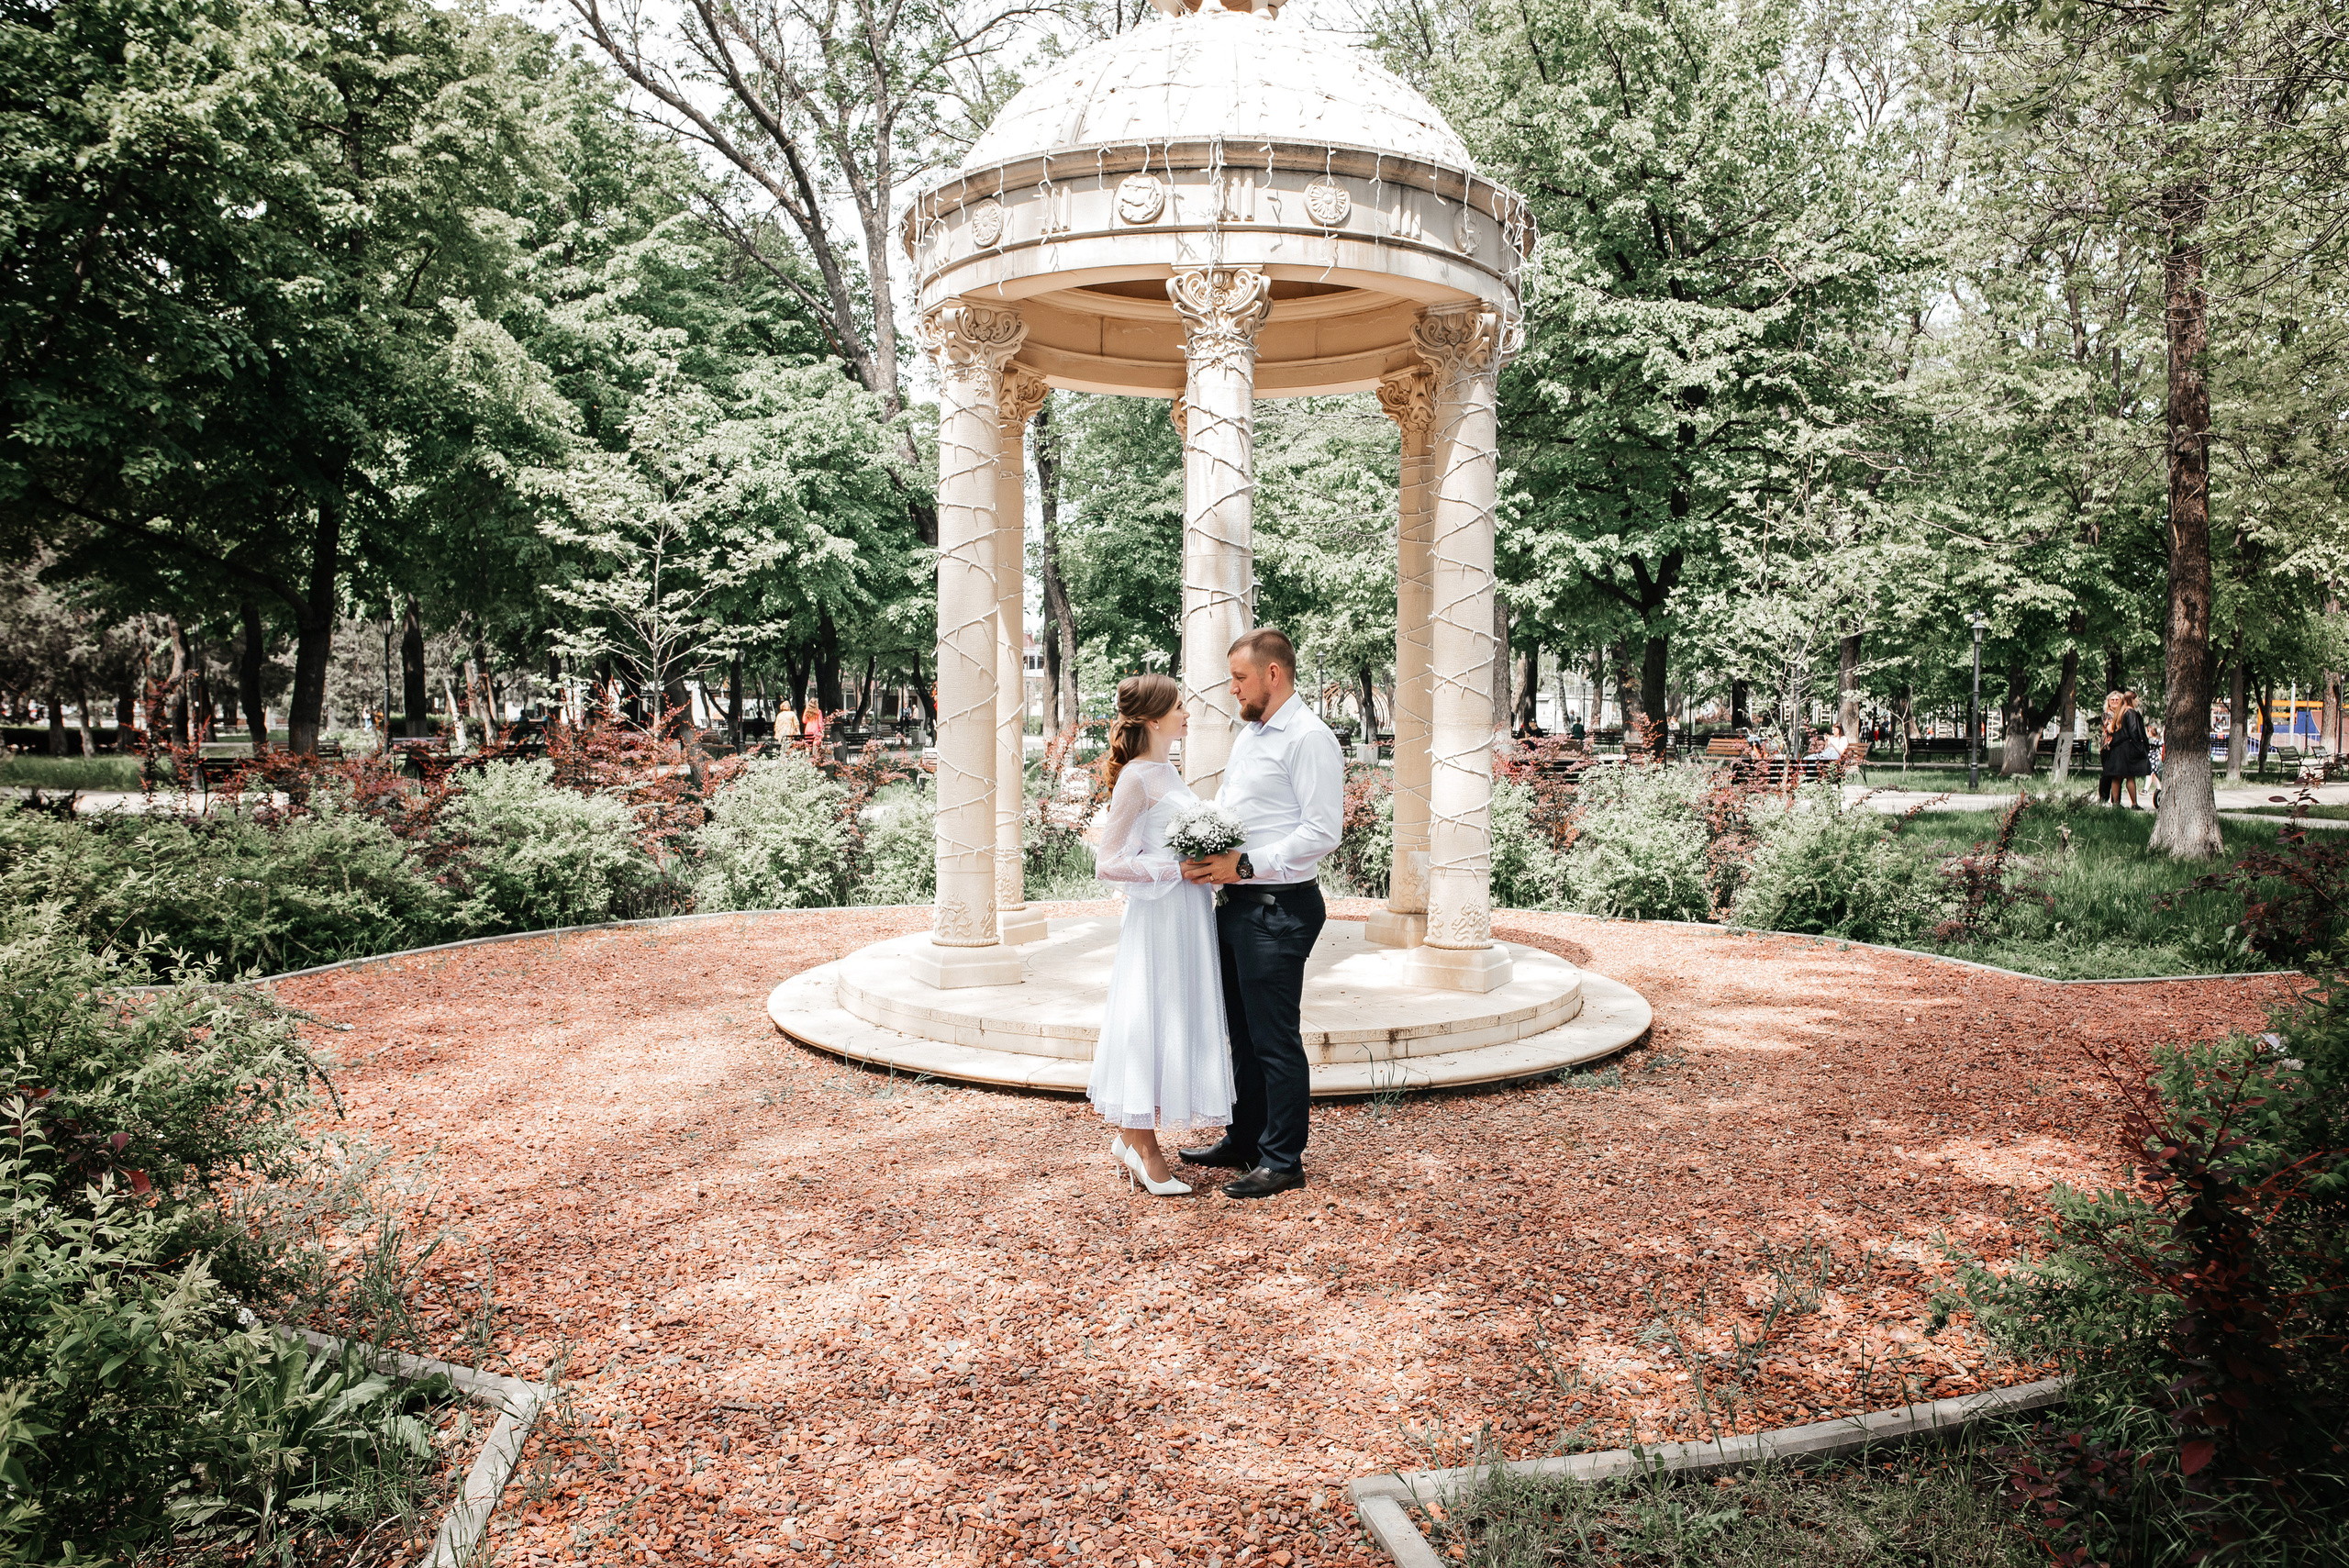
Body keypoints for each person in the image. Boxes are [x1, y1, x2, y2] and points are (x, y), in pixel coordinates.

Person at [1177, 628, 1344, 1200]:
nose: (1232, 690)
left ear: (1273, 675)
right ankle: (1245, 1138)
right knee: (1242, 1036)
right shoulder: (1252, 735)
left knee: (1275, 1039)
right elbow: (1232, 807)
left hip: (1279, 907)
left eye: (1239, 679)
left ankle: (1282, 1159)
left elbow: (1323, 832)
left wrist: (1243, 865)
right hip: (1238, 902)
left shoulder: (1309, 738)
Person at [1085, 673, 1231, 1197]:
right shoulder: (1137, 778)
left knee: (1173, 1014)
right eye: (1179, 706)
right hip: (1160, 916)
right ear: (1151, 718)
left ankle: (1131, 1137)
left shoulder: (1167, 769)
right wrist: (1178, 871)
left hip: (1187, 914)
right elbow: (1109, 863)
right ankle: (1145, 1148)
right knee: (1151, 1015)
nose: (1188, 713)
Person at [2110, 691, 2153, 808]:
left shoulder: (2120, 712)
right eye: (2137, 699)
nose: (2138, 701)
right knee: (2130, 776)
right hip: (2128, 748)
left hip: (2117, 748)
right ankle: (2134, 803)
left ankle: (2116, 803)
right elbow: (2133, 730)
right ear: (2132, 700)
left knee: (2117, 776)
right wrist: (2139, 746)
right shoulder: (2131, 713)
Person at [2097, 692, 2125, 804]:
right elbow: (2110, 729)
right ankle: (2103, 798)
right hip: (2107, 748)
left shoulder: (2123, 714)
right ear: (2108, 702)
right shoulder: (2107, 714)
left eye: (2117, 700)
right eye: (2112, 700)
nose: (2114, 702)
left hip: (2120, 748)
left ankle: (2116, 800)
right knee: (2107, 773)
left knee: (2119, 775)